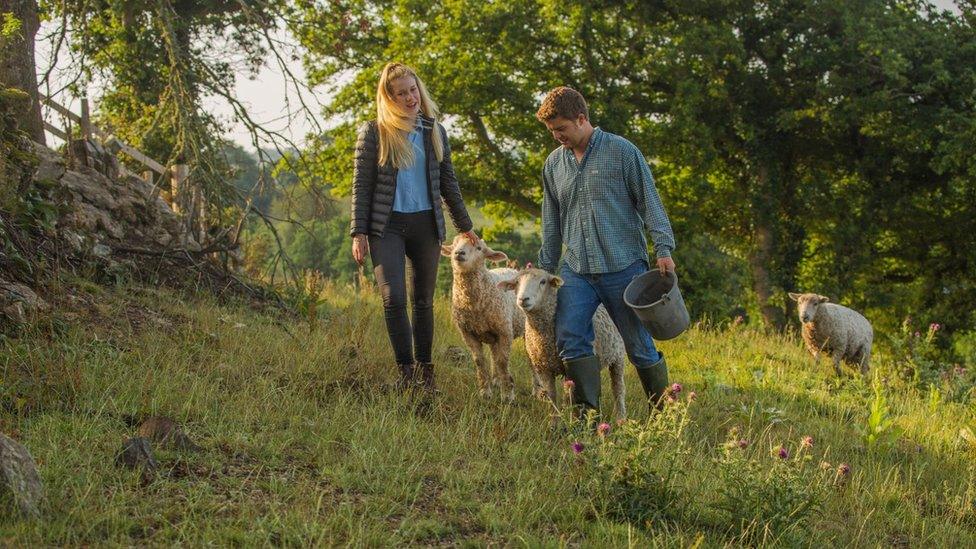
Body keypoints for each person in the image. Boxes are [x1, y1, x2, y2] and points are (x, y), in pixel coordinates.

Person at [535, 86, 677, 414]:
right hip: (577, 270)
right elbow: (551, 222)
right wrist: (544, 266)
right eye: (552, 131)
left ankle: (666, 417)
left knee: (639, 346)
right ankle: (587, 419)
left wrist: (663, 248)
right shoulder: (554, 165)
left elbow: (650, 201)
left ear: (581, 118)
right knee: (570, 337)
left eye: (561, 129)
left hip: (624, 267)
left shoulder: (623, 152)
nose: (556, 136)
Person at [350, 62, 478, 392]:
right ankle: (406, 374)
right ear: (389, 98)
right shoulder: (374, 132)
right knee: (393, 299)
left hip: (426, 225)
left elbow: (448, 182)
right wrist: (358, 232)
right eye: (401, 93)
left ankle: (426, 374)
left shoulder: (434, 131)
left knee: (422, 301)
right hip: (386, 227)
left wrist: (466, 226)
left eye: (413, 90)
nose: (410, 97)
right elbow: (362, 186)